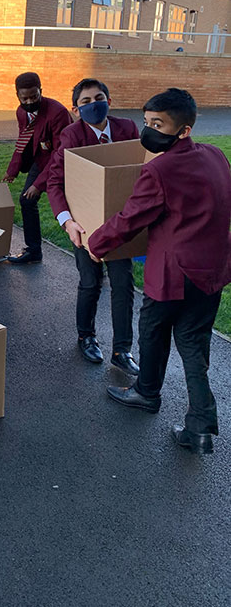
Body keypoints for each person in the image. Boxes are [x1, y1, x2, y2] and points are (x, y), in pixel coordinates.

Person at [88, 88, 231, 455]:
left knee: (152, 332)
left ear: (183, 130)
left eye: (158, 124)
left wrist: (95, 243)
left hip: (172, 274)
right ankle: (200, 428)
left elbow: (129, 219)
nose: (148, 130)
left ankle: (146, 393)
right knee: (194, 345)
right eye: (146, 121)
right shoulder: (216, 156)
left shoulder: (159, 169)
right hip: (211, 271)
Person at [47, 78, 139, 375]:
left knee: (124, 285)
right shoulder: (71, 136)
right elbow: (54, 182)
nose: (93, 105)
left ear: (108, 100)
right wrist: (67, 221)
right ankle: (86, 336)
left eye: (98, 98)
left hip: (120, 225)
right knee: (90, 282)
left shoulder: (127, 129)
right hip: (84, 227)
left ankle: (122, 349)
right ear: (76, 109)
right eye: (85, 102)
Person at [2, 72, 72, 264]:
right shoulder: (21, 111)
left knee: (72, 207)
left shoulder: (57, 113)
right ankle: (34, 251)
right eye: (25, 98)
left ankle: (93, 256)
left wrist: (39, 184)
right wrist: (12, 170)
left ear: (41, 90)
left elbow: (61, 153)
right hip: (41, 160)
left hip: (65, 162)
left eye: (34, 96)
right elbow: (23, 140)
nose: (30, 101)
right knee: (26, 201)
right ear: (18, 95)